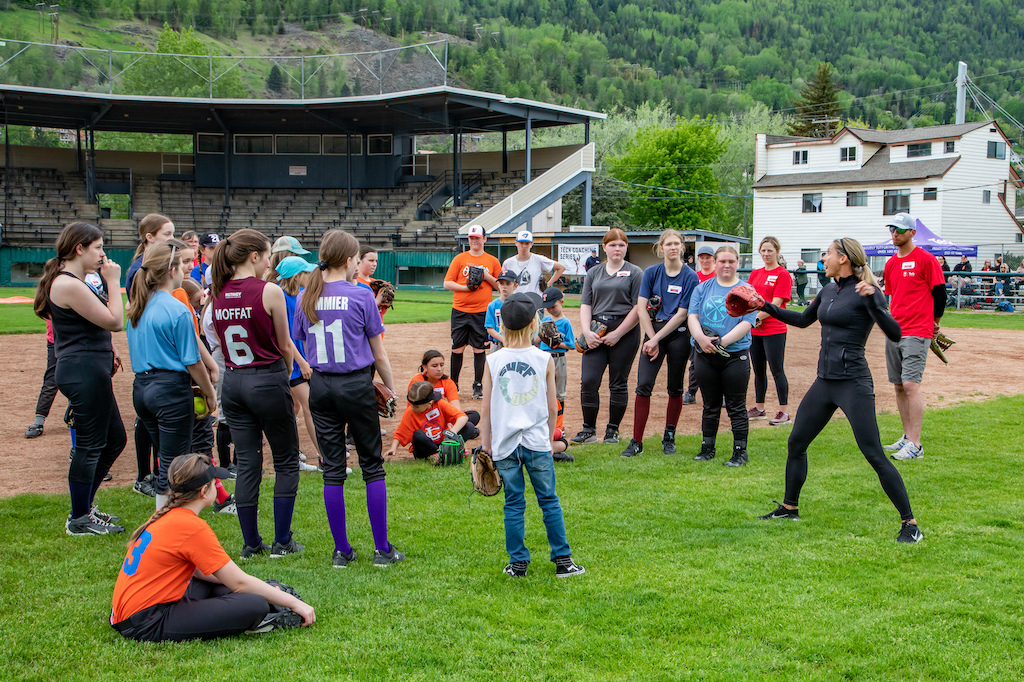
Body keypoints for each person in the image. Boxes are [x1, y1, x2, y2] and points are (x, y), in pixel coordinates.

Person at [756, 238, 922, 543]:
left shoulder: (866, 291)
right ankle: (789, 507)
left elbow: (896, 332)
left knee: (873, 453)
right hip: (825, 381)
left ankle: (910, 524)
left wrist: (873, 301)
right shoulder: (829, 289)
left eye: (828, 254)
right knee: (797, 441)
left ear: (843, 258)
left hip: (852, 383)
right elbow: (804, 320)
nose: (824, 259)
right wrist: (763, 305)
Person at [111, 453, 315, 642]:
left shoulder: (169, 514)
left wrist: (263, 588)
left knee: (217, 583)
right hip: (146, 622)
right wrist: (292, 602)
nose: (218, 486)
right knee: (255, 605)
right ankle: (264, 619)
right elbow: (239, 583)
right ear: (203, 492)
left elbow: (205, 573)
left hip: (135, 612)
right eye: (214, 483)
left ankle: (267, 597)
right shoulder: (190, 526)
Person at [293, 229, 404, 568]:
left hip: (321, 386)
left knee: (333, 470)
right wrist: (392, 388)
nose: (360, 263)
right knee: (372, 466)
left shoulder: (305, 296)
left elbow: (300, 341)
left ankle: (341, 551)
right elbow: (379, 353)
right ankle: (382, 550)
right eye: (358, 257)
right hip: (356, 385)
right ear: (347, 260)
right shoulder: (360, 295)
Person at [209, 228, 303, 559]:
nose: (268, 263)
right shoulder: (269, 291)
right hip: (267, 378)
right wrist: (285, 375)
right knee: (286, 459)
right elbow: (284, 343)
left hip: (234, 381)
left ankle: (251, 544)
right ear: (253, 257)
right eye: (265, 257)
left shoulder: (216, 292)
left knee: (248, 462)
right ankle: (281, 541)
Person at [480, 292, 585, 578]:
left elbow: (486, 408)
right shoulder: (543, 358)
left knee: (514, 503)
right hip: (538, 442)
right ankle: (563, 561)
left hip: (504, 443)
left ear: (502, 326)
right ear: (533, 324)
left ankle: (518, 564)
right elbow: (553, 406)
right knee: (549, 501)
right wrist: (550, 439)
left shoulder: (493, 360)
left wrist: (486, 444)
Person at [33, 222, 127, 535]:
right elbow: (115, 320)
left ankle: (85, 507)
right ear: (79, 248)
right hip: (82, 371)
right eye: (98, 247)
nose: (103, 254)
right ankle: (78, 518)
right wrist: (113, 282)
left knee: (115, 439)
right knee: (91, 445)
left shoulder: (74, 281)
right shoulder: (67, 283)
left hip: (90, 368)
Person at [127, 242, 219, 510]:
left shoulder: (138, 305)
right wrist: (210, 393)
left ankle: (162, 519)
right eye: (181, 265)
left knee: (165, 459)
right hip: (169, 390)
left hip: (141, 388)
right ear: (172, 270)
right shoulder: (176, 308)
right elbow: (192, 362)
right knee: (173, 463)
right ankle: (165, 524)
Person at [621, 229, 698, 458]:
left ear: (682, 247)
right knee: (643, 385)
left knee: (675, 387)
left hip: (677, 334)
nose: (673, 247)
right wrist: (651, 336)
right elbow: (642, 306)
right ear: (661, 247)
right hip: (653, 331)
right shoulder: (652, 273)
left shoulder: (690, 276)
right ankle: (636, 441)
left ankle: (669, 437)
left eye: (677, 244)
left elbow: (682, 313)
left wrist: (655, 339)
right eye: (669, 244)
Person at [881, 213, 946, 461]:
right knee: (898, 385)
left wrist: (935, 324)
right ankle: (907, 437)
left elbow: (940, 295)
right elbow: (893, 297)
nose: (894, 233)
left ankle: (916, 445)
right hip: (895, 329)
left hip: (918, 330)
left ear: (912, 233)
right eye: (892, 229)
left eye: (899, 229)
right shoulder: (890, 264)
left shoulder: (926, 260)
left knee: (910, 384)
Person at [571, 229, 643, 445]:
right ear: (604, 247)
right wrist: (586, 331)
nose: (617, 249)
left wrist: (619, 333)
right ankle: (588, 430)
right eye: (613, 245)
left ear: (626, 247)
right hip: (596, 328)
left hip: (625, 330)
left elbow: (638, 307)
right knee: (589, 381)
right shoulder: (594, 272)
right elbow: (586, 304)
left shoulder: (635, 272)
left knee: (618, 383)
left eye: (621, 245)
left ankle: (612, 430)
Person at [686, 246, 757, 467]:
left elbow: (747, 323)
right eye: (722, 261)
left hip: (734, 355)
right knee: (710, 404)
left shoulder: (747, 290)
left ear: (737, 262)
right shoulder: (702, 288)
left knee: (736, 405)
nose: (727, 265)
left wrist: (721, 342)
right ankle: (707, 447)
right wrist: (701, 338)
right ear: (715, 263)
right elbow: (692, 316)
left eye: (731, 261)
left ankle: (739, 452)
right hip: (704, 353)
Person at [443, 225, 501, 399]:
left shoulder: (492, 261)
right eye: (471, 238)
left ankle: (478, 384)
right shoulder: (460, 259)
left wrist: (486, 276)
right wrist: (466, 288)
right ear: (468, 240)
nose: (474, 240)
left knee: (479, 349)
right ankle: (454, 384)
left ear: (484, 239)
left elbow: (500, 285)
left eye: (477, 237)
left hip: (482, 311)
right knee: (457, 348)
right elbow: (447, 283)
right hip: (460, 310)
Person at [275, 256, 320, 473]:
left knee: (292, 409)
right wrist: (302, 362)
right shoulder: (281, 297)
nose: (309, 276)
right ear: (296, 276)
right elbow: (284, 337)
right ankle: (325, 458)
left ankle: (292, 456)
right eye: (305, 273)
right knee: (310, 406)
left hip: (299, 360)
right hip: (292, 364)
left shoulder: (298, 296)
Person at [748, 236, 793, 426]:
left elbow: (776, 303)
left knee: (777, 370)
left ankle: (784, 412)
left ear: (777, 252)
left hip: (774, 328)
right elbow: (748, 297)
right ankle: (760, 408)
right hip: (755, 330)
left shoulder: (783, 274)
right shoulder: (755, 273)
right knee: (758, 371)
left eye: (770, 251)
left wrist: (757, 318)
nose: (766, 254)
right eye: (763, 250)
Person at [535, 286, 575, 452]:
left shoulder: (565, 323)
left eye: (554, 305)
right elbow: (536, 340)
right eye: (548, 307)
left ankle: (560, 425)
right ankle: (543, 422)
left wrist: (557, 342)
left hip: (558, 359)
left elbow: (571, 345)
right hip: (544, 359)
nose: (551, 309)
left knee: (559, 393)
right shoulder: (544, 321)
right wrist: (543, 334)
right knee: (542, 391)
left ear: (562, 302)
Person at [408, 350, 481, 441]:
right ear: (425, 367)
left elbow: (456, 407)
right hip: (423, 420)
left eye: (441, 365)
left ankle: (457, 431)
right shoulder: (417, 382)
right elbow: (413, 409)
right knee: (468, 426)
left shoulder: (447, 382)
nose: (439, 369)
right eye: (434, 366)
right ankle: (463, 432)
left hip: (443, 417)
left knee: (474, 415)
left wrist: (452, 422)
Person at [387, 381, 469, 461]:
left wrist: (452, 434)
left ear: (429, 403)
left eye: (416, 406)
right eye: (411, 404)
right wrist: (393, 448)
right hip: (424, 449)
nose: (412, 407)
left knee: (469, 427)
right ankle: (445, 454)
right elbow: (400, 434)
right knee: (418, 435)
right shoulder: (410, 412)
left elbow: (463, 417)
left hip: (441, 443)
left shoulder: (440, 404)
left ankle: (443, 453)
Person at [682, 244, 719, 405]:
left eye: (708, 257)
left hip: (715, 321)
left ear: (713, 259)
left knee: (718, 357)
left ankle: (721, 393)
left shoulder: (718, 276)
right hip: (697, 322)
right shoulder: (694, 276)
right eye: (702, 257)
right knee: (695, 358)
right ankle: (691, 392)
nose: (705, 260)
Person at [501, 230, 565, 296]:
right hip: (515, 300)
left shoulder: (539, 259)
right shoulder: (508, 263)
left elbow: (561, 268)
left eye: (527, 243)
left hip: (535, 300)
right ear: (516, 243)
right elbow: (503, 282)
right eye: (521, 243)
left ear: (531, 244)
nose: (524, 246)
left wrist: (548, 284)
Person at [24, 319, 58, 439]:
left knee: (80, 377)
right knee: (51, 380)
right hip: (55, 339)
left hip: (78, 339)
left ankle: (78, 415)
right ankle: (39, 420)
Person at [485, 269, 519, 348]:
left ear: (515, 286)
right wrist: (503, 339)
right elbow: (490, 328)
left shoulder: (519, 304)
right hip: (497, 344)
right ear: (498, 285)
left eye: (508, 284)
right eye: (501, 283)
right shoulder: (492, 305)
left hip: (515, 344)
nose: (504, 286)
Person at [354, 245, 389, 319]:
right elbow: (356, 311)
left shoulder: (376, 283)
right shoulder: (354, 283)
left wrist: (385, 305)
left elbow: (381, 313)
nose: (374, 264)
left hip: (378, 328)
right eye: (371, 260)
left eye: (376, 261)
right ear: (359, 261)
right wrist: (376, 302)